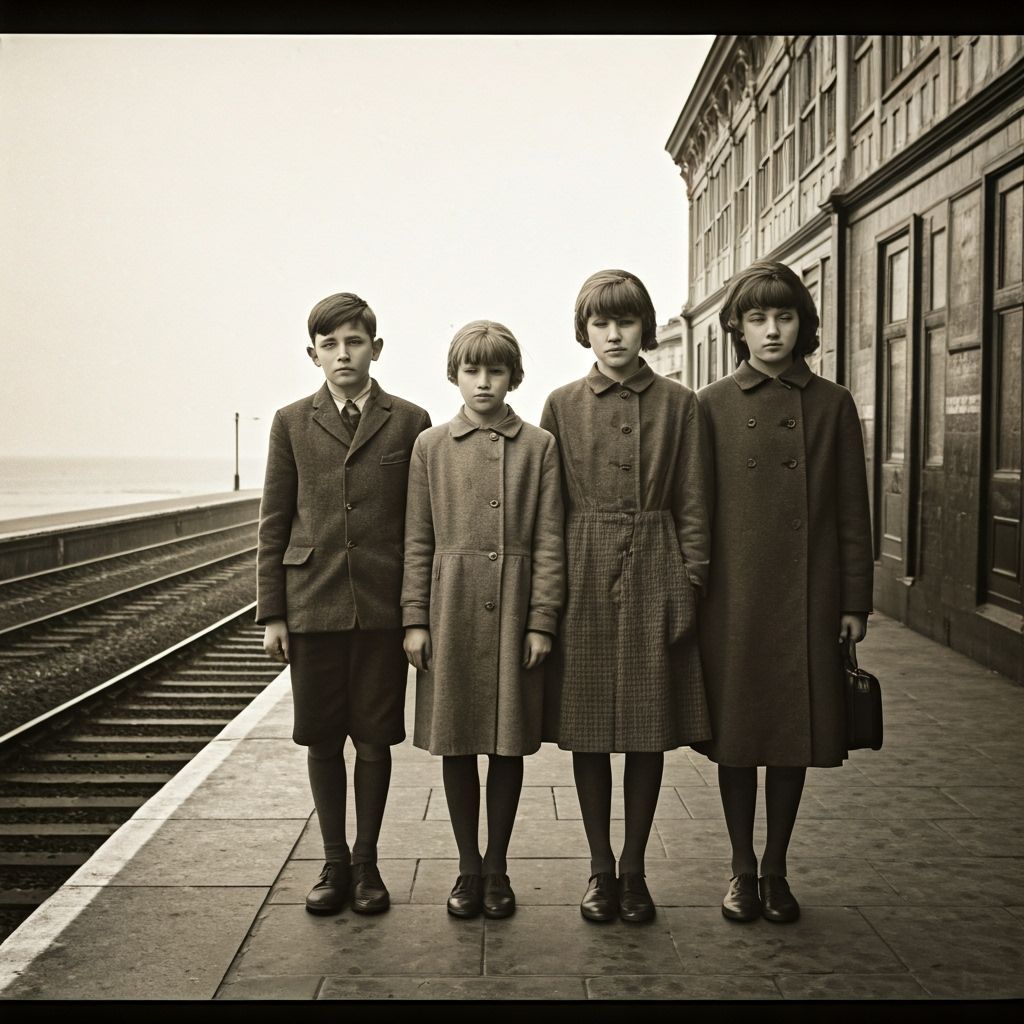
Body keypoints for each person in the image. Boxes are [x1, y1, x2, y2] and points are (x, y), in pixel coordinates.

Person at [695, 259, 874, 924]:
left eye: (785, 316)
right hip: (733, 601)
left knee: (793, 735)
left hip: (808, 595)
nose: (772, 331)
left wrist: (854, 601)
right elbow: (698, 510)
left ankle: (777, 866)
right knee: (740, 736)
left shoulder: (831, 404)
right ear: (737, 328)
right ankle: (741, 868)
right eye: (758, 318)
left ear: (804, 324)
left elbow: (853, 512)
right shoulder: (710, 405)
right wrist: (695, 592)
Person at [540, 269, 711, 924]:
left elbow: (695, 499)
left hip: (655, 565)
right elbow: (548, 508)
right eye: (601, 323)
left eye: (626, 322)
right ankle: (598, 869)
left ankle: (635, 871)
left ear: (645, 326)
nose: (614, 335)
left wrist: (689, 579)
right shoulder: (561, 404)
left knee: (646, 731)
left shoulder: (679, 403)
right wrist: (548, 596)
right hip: (583, 570)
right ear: (584, 330)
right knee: (587, 731)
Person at [257, 291, 431, 916]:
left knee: (377, 739)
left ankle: (368, 864)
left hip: (382, 610)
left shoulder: (410, 421)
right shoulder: (290, 422)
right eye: (329, 345)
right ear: (313, 355)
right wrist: (272, 612)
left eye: (353, 342)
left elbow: (421, 526)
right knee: (323, 739)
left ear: (375, 348)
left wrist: (417, 615)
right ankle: (333, 861)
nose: (342, 354)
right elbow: (274, 521)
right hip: (312, 604)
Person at [402, 320, 565, 920]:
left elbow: (550, 541)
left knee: (507, 747)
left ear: (513, 377)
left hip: (515, 609)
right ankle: (467, 867)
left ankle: (498, 865)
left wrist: (541, 620)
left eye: (495, 371)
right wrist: (414, 617)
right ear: (455, 375)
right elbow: (417, 538)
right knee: (457, 743)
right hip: (451, 610)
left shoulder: (540, 446)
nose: (483, 382)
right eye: (471, 370)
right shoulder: (431, 446)